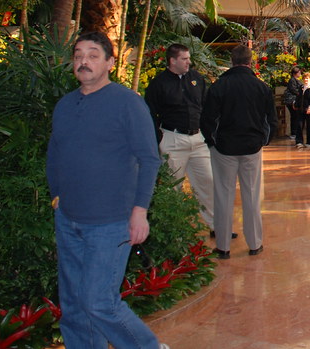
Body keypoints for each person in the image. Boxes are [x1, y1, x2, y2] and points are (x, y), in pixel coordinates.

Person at [46, 31, 168, 349]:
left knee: (99, 302)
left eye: (92, 55)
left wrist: (139, 211)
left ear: (110, 63)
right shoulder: (65, 105)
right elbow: (55, 153)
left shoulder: (128, 103)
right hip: (68, 219)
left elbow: (149, 159)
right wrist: (56, 196)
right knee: (74, 304)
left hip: (111, 223)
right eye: (78, 55)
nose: (83, 61)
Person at [200, 44, 276, 259]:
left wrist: (212, 142)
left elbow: (207, 119)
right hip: (252, 148)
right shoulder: (261, 87)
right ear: (250, 61)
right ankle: (255, 244)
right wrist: (262, 141)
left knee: (223, 196)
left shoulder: (219, 86)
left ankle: (223, 246)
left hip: (224, 149)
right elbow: (270, 120)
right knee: (251, 195)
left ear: (231, 61)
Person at [144, 43, 216, 236]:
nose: (188, 62)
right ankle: (175, 231)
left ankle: (216, 226)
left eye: (188, 58)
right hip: (172, 140)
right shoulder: (158, 84)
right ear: (172, 60)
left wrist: (208, 133)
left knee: (208, 182)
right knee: (172, 187)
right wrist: (158, 139)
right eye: (184, 59)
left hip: (198, 140)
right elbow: (149, 113)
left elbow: (206, 106)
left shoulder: (196, 79)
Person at [295, 71, 310, 148]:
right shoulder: (301, 87)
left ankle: (309, 142)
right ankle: (299, 142)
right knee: (299, 125)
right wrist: (295, 104)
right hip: (300, 109)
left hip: (309, 110)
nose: (305, 80)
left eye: (307, 78)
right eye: (304, 78)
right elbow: (298, 97)